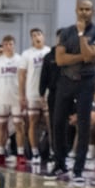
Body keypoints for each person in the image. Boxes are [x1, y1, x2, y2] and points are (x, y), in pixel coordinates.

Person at [49, 0, 95, 182]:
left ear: (93, 11)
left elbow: (92, 55)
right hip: (66, 81)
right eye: (81, 9)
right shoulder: (66, 32)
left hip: (86, 82)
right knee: (58, 122)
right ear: (76, 10)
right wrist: (84, 56)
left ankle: (78, 169)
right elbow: (60, 60)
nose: (84, 12)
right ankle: (59, 164)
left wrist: (82, 35)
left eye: (88, 9)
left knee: (83, 124)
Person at [0, 35, 25, 166]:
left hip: (16, 98)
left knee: (18, 126)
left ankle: (20, 154)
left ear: (14, 45)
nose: (8, 47)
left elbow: (24, 79)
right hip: (2, 98)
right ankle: (0, 154)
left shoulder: (20, 59)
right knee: (1, 127)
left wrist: (23, 96)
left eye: (11, 44)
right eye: (6, 44)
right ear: (2, 46)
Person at [18, 27, 51, 164]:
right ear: (31, 38)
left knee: (50, 123)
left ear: (43, 36)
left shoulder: (49, 51)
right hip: (32, 92)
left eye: (38, 34)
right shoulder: (27, 54)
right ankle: (35, 152)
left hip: (48, 93)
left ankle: (51, 152)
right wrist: (22, 95)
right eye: (33, 35)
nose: (36, 36)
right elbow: (21, 76)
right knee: (33, 122)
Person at [38, 29, 62, 164]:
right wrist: (41, 94)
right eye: (59, 38)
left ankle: (66, 152)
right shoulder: (49, 56)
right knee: (53, 124)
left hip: (68, 94)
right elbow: (44, 77)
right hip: (53, 94)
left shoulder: (71, 55)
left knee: (67, 124)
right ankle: (54, 151)